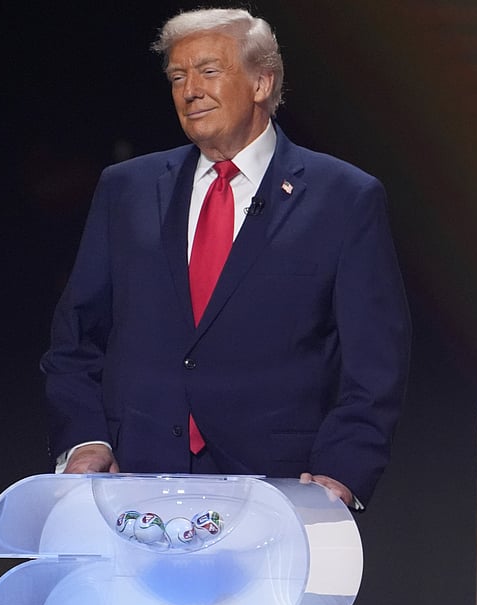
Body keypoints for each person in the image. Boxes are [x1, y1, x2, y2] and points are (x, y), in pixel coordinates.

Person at [40, 8, 411, 510]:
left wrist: (341, 472)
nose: (189, 89)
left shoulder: (343, 198)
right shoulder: (126, 190)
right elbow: (75, 337)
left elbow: (375, 364)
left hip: (278, 495)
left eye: (209, 71)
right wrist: (85, 440)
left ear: (262, 82)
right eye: (177, 76)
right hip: (136, 486)